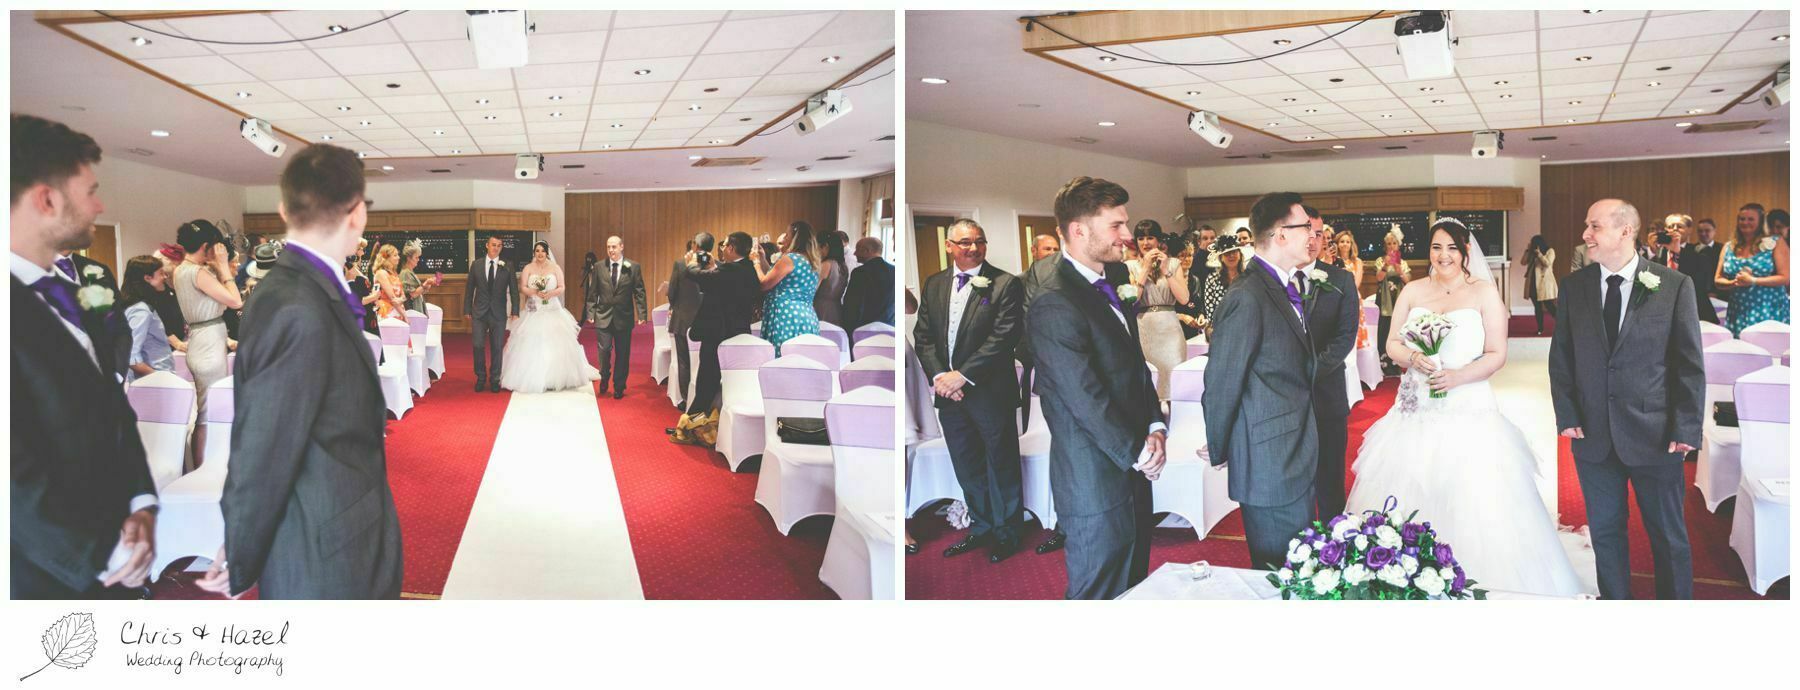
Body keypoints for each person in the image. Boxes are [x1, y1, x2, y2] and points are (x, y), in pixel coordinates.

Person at [197, 142, 403, 599]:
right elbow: (263, 443)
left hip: (347, 525)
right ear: (358, 214)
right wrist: (241, 546)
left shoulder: (311, 287)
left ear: (283, 210)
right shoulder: (293, 303)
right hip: (321, 551)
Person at [1348, 218, 1583, 597]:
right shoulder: (1413, 291)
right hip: (1415, 409)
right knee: (1410, 488)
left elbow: (1497, 354)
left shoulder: (1484, 294)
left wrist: (1457, 377)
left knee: (1472, 495)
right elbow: (1391, 343)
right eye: (1436, 247)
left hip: (1468, 405)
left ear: (1466, 252)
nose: (1443, 256)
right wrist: (1412, 356)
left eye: (1452, 248)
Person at [11, 114, 158, 598]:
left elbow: (111, 405)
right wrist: (100, 556)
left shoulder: (71, 292)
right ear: (47, 200)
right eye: (90, 191)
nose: (100, 205)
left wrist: (139, 501)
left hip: (115, 541)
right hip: (45, 575)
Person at [1549, 199, 1704, 600]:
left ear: (1625, 231)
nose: (1585, 234)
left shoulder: (1674, 285)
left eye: (1594, 226)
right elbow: (1561, 356)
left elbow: (1689, 365)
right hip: (1593, 435)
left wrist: (1686, 428)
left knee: (1668, 535)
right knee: (1605, 533)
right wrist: (1567, 413)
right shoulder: (1574, 286)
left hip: (1657, 435)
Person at [1029, 177, 1165, 598]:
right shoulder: (1053, 300)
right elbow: (1082, 396)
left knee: (1134, 585)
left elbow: (1134, 363)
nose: (1127, 236)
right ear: (1078, 231)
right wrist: (1138, 452)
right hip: (1093, 477)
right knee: (1098, 590)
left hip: (1132, 465)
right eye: (1116, 226)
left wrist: (1156, 425)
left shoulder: (1117, 274)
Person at [1203, 192, 1319, 571]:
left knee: (1300, 566)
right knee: (1278, 572)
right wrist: (1221, 445)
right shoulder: (1247, 295)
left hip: (1294, 447)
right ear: (1281, 235)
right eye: (1305, 227)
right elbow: (1222, 381)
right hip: (1269, 459)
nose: (1313, 235)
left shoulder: (1284, 285)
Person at [914, 218, 1027, 565]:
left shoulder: (1005, 284)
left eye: (979, 241)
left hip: (989, 391)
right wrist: (940, 378)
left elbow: (1003, 337)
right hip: (949, 395)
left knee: (1001, 464)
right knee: (967, 465)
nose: (973, 248)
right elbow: (923, 337)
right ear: (949, 246)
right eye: (965, 242)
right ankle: (981, 526)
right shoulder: (934, 284)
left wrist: (961, 377)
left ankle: (1007, 533)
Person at [1300, 206, 1361, 523]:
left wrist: (1307, 372)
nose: (1313, 240)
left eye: (1319, 234)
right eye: (1306, 232)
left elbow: (1344, 337)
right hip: (1284, 399)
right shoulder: (1271, 282)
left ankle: (1331, 540)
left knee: (1329, 478)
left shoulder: (1341, 280)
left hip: (1327, 395)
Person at [672, 232, 760, 441]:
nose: (721, 249)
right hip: (738, 332)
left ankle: (691, 425)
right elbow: (718, 283)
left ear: (731, 248)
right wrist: (714, 267)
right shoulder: (748, 269)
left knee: (707, 379)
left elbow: (699, 277)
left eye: (725, 245)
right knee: (723, 381)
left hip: (718, 333)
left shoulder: (730, 271)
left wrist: (691, 264)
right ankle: (701, 422)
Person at [173, 219, 244, 466]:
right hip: (208, 347)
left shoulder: (181, 270)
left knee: (206, 410)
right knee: (208, 412)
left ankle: (205, 465)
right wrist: (223, 267)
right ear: (205, 246)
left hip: (200, 341)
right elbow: (236, 301)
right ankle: (204, 468)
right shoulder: (197, 273)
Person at [1017, 226, 1068, 555]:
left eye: (1055, 249)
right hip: (1038, 368)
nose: (1051, 254)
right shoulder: (1020, 283)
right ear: (1034, 252)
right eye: (1046, 249)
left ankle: (1068, 522)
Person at [500, 241, 600, 394]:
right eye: (537, 251)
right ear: (534, 253)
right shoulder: (528, 268)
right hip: (534, 307)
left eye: (542, 251)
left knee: (556, 339)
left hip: (552, 307)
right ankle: (532, 376)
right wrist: (534, 291)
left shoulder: (555, 268)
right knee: (530, 340)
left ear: (547, 253)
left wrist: (550, 293)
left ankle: (556, 377)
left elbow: (561, 287)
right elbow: (523, 287)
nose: (540, 254)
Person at [1126, 219, 1189, 399]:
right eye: (1141, 238)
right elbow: (1131, 300)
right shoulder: (1129, 266)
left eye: (1150, 237)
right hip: (1145, 327)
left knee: (1174, 380)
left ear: (1158, 240)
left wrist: (1166, 270)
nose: (1145, 243)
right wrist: (1145, 269)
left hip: (1170, 329)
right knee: (1150, 382)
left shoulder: (1173, 263)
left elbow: (1184, 299)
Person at [586, 235, 648, 399]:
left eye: (614, 247)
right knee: (604, 350)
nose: (611, 250)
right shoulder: (599, 267)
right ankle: (604, 376)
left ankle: (619, 386)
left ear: (621, 247)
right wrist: (590, 312)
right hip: (603, 315)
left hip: (624, 317)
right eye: (608, 247)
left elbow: (639, 292)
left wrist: (642, 313)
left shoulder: (633, 267)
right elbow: (593, 292)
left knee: (623, 353)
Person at [1714, 202, 1790, 334]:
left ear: (1760, 222)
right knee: (1740, 345)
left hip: (1768, 307)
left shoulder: (1776, 242)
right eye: (1742, 219)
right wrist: (1733, 282)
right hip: (1738, 309)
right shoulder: (1729, 246)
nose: (1745, 222)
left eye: (1750, 219)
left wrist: (1753, 280)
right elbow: (1717, 280)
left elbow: (1784, 278)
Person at [751, 221, 823, 356]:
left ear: (795, 238)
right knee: (801, 360)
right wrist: (763, 258)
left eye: (787, 235)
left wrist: (756, 263)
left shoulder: (789, 259)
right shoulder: (812, 260)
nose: (784, 239)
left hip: (785, 316)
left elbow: (764, 284)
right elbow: (774, 276)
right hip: (805, 316)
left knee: (783, 359)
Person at [465, 235, 520, 393]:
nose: (496, 248)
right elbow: (469, 289)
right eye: (493, 244)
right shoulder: (476, 265)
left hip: (498, 313)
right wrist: (467, 309)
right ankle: (481, 377)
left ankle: (495, 379)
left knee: (497, 347)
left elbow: (514, 291)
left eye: (499, 245)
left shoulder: (507, 265)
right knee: (478, 345)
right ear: (487, 245)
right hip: (479, 313)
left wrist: (515, 310)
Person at [117, 255, 176, 382]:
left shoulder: (135, 306)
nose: (164, 277)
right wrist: (159, 377)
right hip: (154, 379)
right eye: (161, 273)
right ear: (147, 278)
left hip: (154, 377)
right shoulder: (141, 311)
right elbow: (132, 358)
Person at [666, 234, 708, 409]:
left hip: (682, 318)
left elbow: (672, 292)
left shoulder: (681, 265)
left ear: (694, 247)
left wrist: (675, 305)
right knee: (705, 361)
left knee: (684, 361)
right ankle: (703, 398)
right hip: (706, 319)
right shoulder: (715, 266)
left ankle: (685, 399)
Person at [1373, 226, 1410, 372]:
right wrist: (1386, 265)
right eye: (1389, 243)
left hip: (1398, 298)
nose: (1391, 246)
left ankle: (1397, 361)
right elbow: (1378, 278)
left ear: (1398, 245)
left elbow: (1408, 281)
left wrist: (1399, 269)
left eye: (1394, 243)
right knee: (1384, 328)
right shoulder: (1380, 261)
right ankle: (1383, 360)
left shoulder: (1403, 262)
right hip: (1384, 299)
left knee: (1397, 327)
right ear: (1385, 246)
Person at [841, 236, 895, 331]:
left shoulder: (860, 272)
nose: (854, 253)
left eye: (857, 249)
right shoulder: (894, 271)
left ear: (867, 251)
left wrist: (847, 329)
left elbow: (851, 305)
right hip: (889, 328)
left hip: (864, 330)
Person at [1680, 218, 1722, 324]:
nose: (1703, 234)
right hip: (1698, 295)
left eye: (1707, 231)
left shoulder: (1722, 249)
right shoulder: (1689, 250)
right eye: (1700, 231)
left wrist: (1715, 292)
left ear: (1714, 231)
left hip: (1720, 295)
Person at [1198, 233, 1246, 322]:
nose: (1231, 256)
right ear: (1221, 258)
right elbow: (1210, 311)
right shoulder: (1212, 279)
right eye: (1227, 253)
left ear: (1240, 255)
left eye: (1234, 252)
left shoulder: (1249, 277)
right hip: (1221, 326)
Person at [1521, 234, 1558, 335]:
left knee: (1549, 306)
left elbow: (1547, 263)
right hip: (1533, 283)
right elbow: (1523, 262)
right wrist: (1528, 251)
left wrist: (1539, 254)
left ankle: (1562, 324)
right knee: (1537, 307)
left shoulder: (1550, 251)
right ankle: (1540, 328)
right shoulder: (1532, 252)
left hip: (1544, 283)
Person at [813, 229, 849, 328]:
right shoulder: (843, 266)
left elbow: (812, 290)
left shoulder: (826, 265)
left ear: (825, 246)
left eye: (817, 247)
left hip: (821, 308)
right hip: (837, 308)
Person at [1172, 237, 1206, 340]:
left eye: (1190, 255)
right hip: (1174, 332)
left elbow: (1199, 307)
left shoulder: (1195, 280)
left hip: (1192, 334)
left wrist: (1201, 316)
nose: (1187, 259)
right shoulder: (1169, 280)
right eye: (1182, 255)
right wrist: (1182, 317)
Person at [398, 242, 440, 315]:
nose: (418, 260)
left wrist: (427, 285)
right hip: (412, 310)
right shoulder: (405, 273)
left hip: (416, 308)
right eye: (416, 257)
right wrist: (425, 283)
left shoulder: (410, 272)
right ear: (409, 258)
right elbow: (413, 294)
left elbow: (418, 291)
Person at [344, 256, 380, 335]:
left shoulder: (352, 282)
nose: (356, 269)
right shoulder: (350, 284)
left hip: (368, 318)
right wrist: (374, 296)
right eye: (355, 267)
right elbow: (358, 300)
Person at [371, 243, 405, 321]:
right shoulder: (381, 273)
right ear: (386, 258)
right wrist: (405, 316)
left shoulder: (394, 274)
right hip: (386, 313)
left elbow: (403, 296)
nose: (399, 257)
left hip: (398, 311)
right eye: (395, 255)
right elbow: (392, 298)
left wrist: (401, 300)